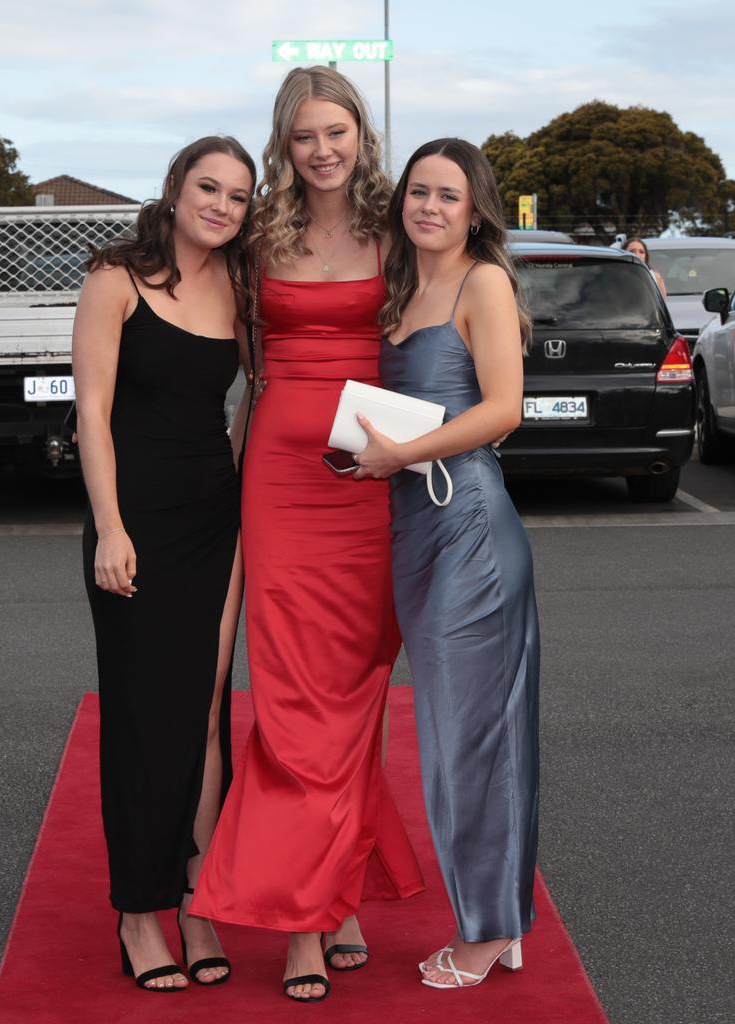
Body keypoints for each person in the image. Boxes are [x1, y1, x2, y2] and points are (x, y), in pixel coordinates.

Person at [191, 67, 424, 1003]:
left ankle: (334, 885)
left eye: (336, 132)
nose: (321, 150)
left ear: (361, 134)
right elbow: (238, 358)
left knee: (354, 693)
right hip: (281, 488)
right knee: (290, 699)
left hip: (370, 484)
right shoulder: (260, 235)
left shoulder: (397, 227)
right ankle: (304, 921)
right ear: (283, 144)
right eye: (302, 137)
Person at [354, 138, 540, 990]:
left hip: (467, 524)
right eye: (418, 192)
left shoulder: (482, 281)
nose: (429, 207)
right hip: (415, 527)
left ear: (476, 208)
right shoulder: (406, 281)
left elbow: (504, 409)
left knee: (472, 739)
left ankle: (486, 930)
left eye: (448, 195)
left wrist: (406, 455)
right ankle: (497, 918)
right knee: (454, 733)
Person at [73, 136, 255, 992]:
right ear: (176, 190)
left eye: (238, 196)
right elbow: (93, 413)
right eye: (207, 187)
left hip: (216, 518)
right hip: (134, 521)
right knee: (147, 716)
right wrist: (110, 527)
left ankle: (199, 897)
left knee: (209, 710)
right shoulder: (116, 276)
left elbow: (260, 395)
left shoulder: (240, 287)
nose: (221, 205)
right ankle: (137, 914)